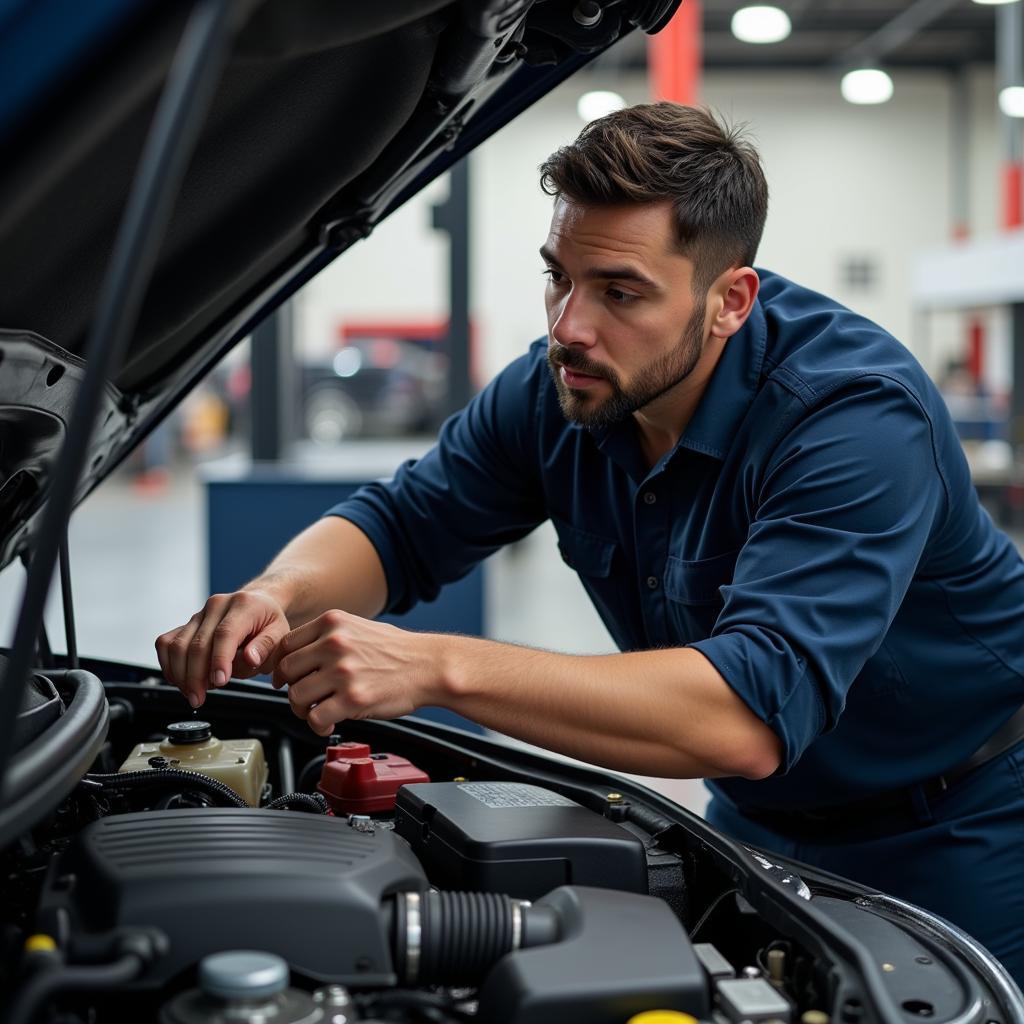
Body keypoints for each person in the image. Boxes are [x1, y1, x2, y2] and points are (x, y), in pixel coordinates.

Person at [157, 103, 1024, 981]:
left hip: (960, 820)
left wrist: (438, 667)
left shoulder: (851, 420)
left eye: (619, 291)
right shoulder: (567, 388)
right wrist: (276, 593)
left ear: (729, 301)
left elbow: (746, 714)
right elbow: (400, 525)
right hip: (756, 818)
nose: (569, 325)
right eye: (557, 278)